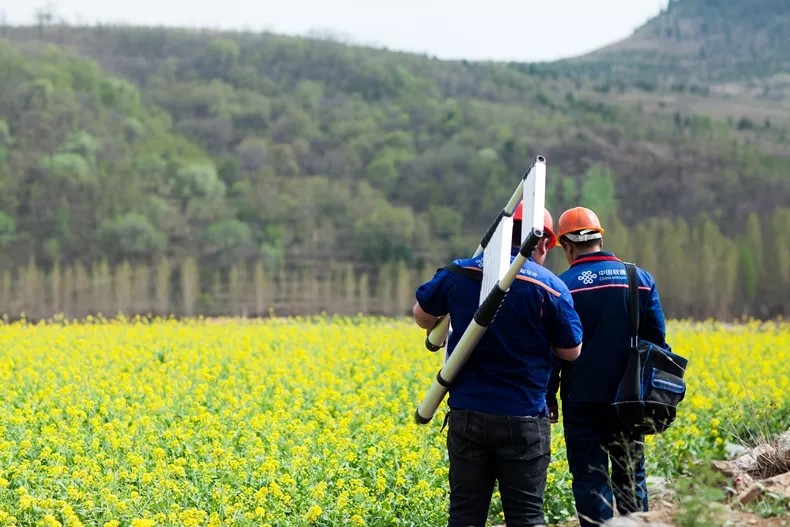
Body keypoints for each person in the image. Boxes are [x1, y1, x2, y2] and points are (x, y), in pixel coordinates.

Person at [413, 205, 583, 527]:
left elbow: (422, 315)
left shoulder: (459, 273)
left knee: (465, 515)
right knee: (526, 517)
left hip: (467, 414)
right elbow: (571, 351)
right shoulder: (551, 287)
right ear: (544, 243)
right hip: (524, 418)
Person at [548, 206, 668, 527]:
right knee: (631, 475)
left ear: (566, 245)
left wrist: (548, 397)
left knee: (590, 479)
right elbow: (657, 343)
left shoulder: (561, 286)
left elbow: (554, 352)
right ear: (600, 236)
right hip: (630, 400)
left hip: (581, 399)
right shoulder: (638, 279)